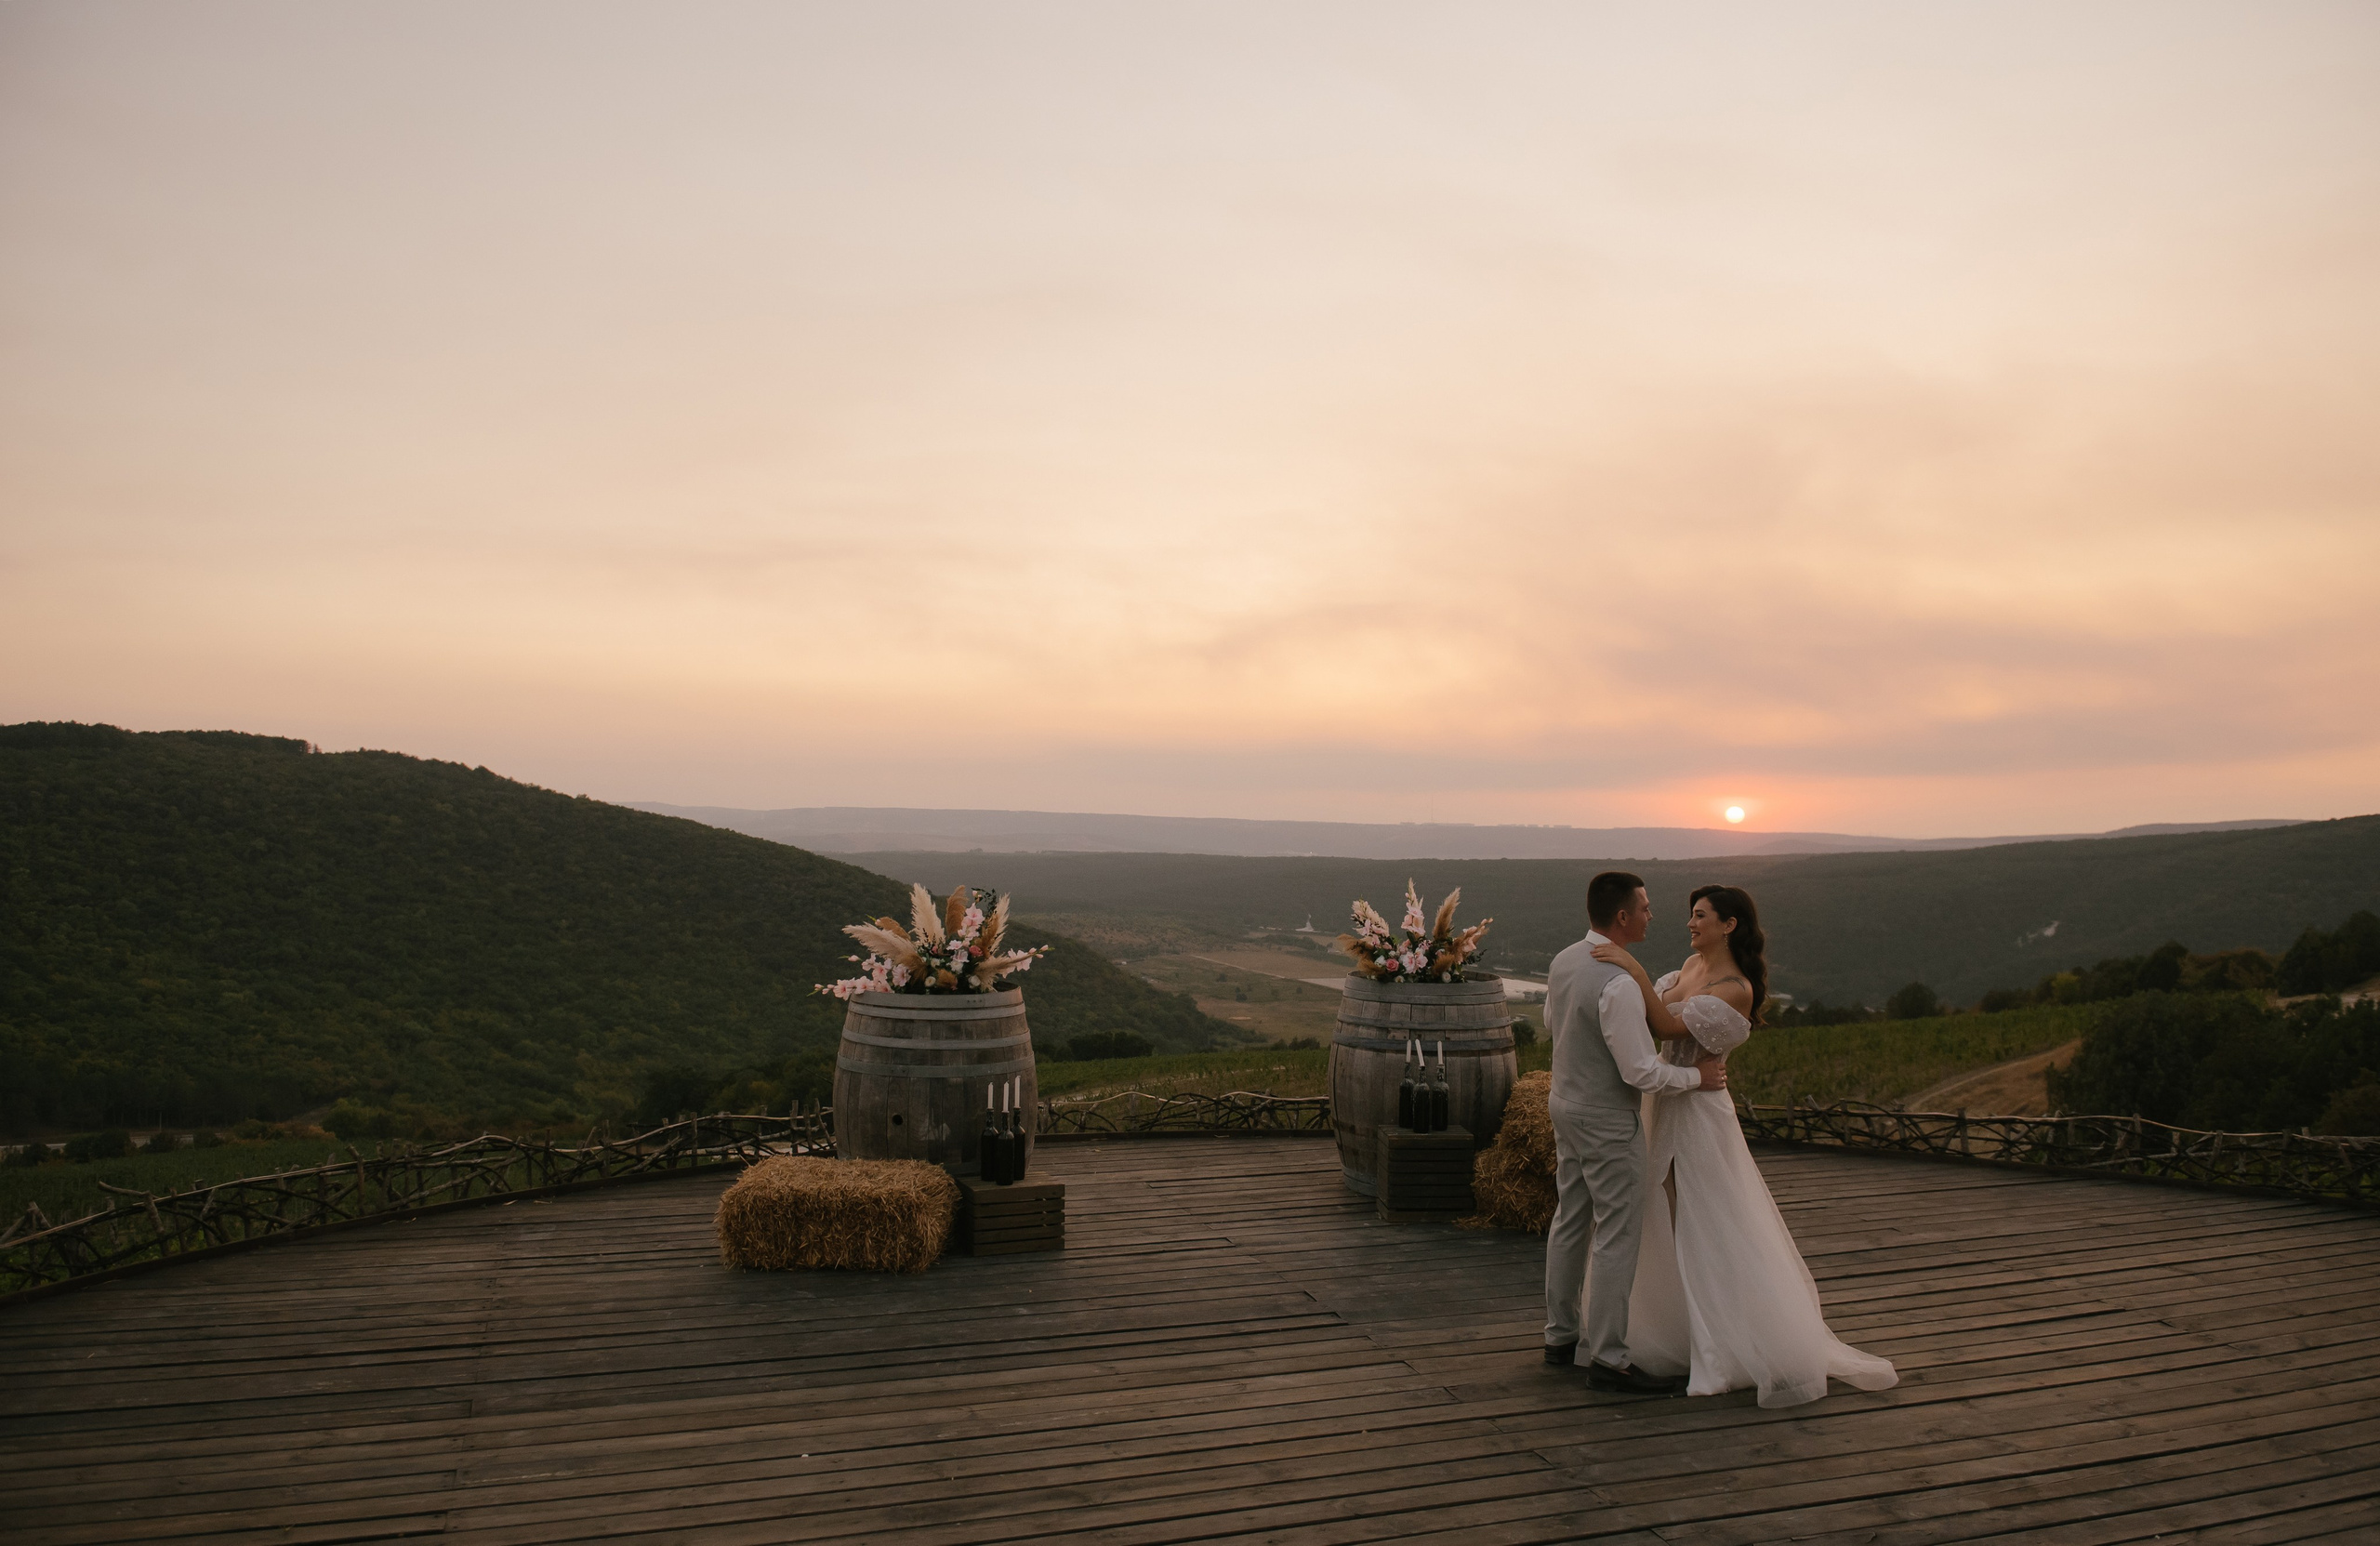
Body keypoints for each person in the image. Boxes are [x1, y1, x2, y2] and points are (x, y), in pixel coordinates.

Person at [1591, 884, 1899, 1407]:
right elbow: (1651, 1020)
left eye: (1700, 916)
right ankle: (1685, 1332)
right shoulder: (1688, 970)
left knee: (1704, 1219)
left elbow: (1665, 1022)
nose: (1689, 923)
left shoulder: (1736, 988)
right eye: (1691, 915)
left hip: (1700, 1113)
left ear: (1729, 925)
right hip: (1667, 1102)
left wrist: (1631, 968)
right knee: (1666, 1217)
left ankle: (1726, 1344)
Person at [1540, 870, 1726, 1393]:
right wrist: (1698, 1077)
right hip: (1605, 1118)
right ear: (1622, 917)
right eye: (1644, 907)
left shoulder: (1563, 960)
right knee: (1618, 1234)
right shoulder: (1619, 985)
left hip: (1563, 1103)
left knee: (1570, 1219)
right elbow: (1640, 1073)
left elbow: (1556, 1026)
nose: (1651, 914)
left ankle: (1559, 1337)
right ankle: (1609, 1358)